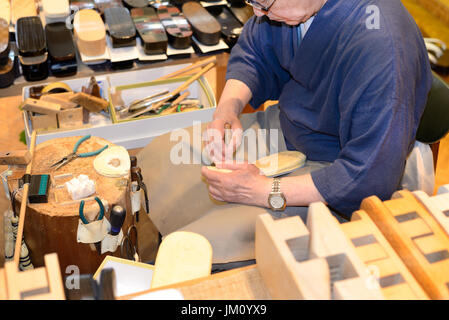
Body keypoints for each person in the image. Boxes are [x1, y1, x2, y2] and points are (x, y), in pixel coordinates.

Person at [138, 0, 433, 268]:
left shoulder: (381, 42)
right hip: (287, 126)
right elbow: (254, 52)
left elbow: (370, 173)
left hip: (335, 174)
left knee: (204, 246)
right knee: (162, 157)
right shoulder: (288, 9)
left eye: (263, 4)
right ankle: (154, 254)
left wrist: (267, 192)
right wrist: (228, 109)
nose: (256, 13)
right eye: (251, 2)